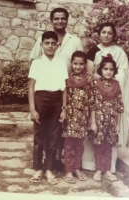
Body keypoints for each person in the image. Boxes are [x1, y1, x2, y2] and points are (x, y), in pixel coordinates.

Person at [30, 8, 83, 169]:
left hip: (66, 88)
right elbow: (33, 62)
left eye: (63, 18)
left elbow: (80, 60)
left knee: (60, 128)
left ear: (67, 20)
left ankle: (55, 160)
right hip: (44, 90)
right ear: (52, 20)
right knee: (43, 130)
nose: (60, 21)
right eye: (56, 18)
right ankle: (41, 164)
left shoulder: (74, 40)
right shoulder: (43, 38)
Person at [82, 22, 129, 173]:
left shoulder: (119, 52)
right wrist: (101, 82)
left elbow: (122, 72)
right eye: (103, 32)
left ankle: (109, 166)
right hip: (98, 93)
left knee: (109, 133)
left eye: (110, 33)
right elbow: (91, 73)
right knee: (94, 128)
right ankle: (91, 164)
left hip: (112, 94)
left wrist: (111, 81)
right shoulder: (93, 51)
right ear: (98, 33)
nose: (106, 35)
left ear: (114, 35)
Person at [28, 31, 68, 185]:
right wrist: (32, 109)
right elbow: (31, 87)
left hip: (57, 99)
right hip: (41, 99)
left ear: (57, 45)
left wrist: (64, 108)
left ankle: (49, 169)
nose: (50, 46)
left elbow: (64, 89)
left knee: (53, 135)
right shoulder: (37, 63)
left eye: (53, 43)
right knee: (39, 135)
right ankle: (38, 168)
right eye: (47, 43)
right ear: (41, 45)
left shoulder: (60, 63)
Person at [89, 54, 124, 181]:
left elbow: (119, 106)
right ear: (100, 70)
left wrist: (118, 124)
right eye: (105, 69)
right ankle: (98, 170)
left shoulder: (116, 85)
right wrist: (93, 122)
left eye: (111, 69)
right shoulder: (95, 84)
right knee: (98, 147)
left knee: (108, 147)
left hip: (111, 121)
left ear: (114, 71)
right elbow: (92, 104)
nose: (108, 72)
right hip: (98, 121)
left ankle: (108, 170)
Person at [62, 51, 91, 184]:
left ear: (85, 65)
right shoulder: (67, 79)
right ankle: (68, 170)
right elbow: (64, 97)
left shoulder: (89, 79)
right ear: (71, 64)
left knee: (80, 145)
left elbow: (92, 99)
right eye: (75, 64)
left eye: (81, 64)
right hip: (70, 116)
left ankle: (77, 168)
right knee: (68, 145)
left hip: (82, 117)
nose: (78, 66)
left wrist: (90, 117)